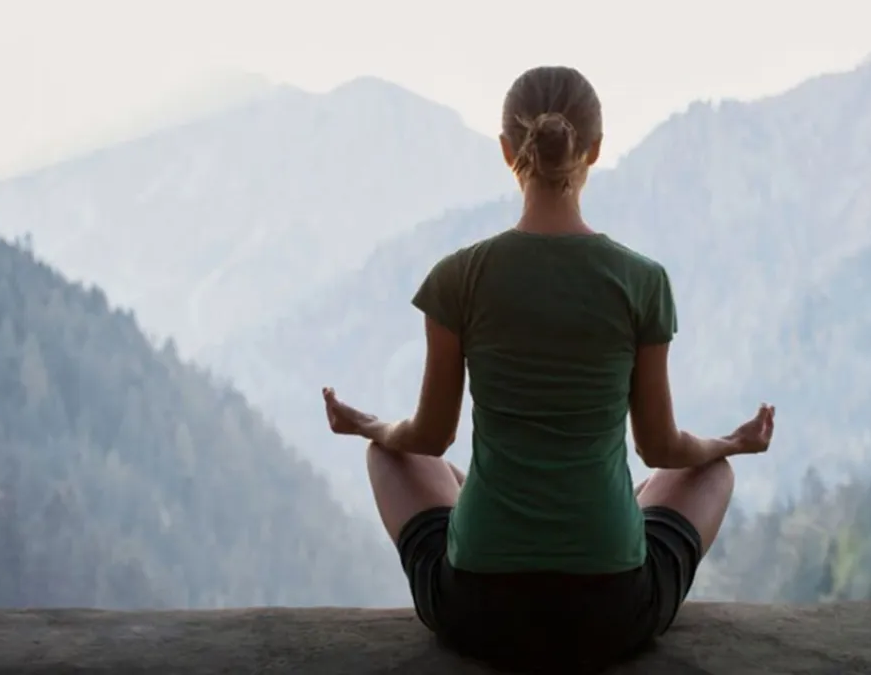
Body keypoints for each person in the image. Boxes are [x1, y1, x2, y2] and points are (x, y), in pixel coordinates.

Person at [321, 65, 774, 673]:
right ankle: (610, 512)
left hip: (479, 606)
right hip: (610, 609)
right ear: (596, 150)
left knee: (393, 457)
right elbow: (661, 447)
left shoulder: (460, 276)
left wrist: (373, 427)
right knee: (712, 472)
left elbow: (430, 438)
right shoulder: (641, 281)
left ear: (507, 149)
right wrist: (731, 442)